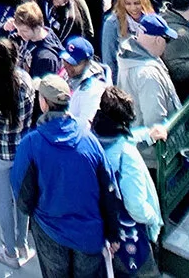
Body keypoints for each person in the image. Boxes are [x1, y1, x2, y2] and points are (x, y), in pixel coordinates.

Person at [9, 75, 122, 278]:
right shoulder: (90, 140)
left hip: (50, 233)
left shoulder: (31, 144)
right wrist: (113, 233)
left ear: (43, 103)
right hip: (89, 236)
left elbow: (23, 198)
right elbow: (109, 189)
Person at [0, 31, 38, 267]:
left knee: (4, 202)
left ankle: (10, 251)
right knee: (20, 199)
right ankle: (22, 244)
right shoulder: (26, 81)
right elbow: (27, 116)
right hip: (21, 149)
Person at [92, 89, 165, 276]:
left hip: (102, 230)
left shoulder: (91, 138)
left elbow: (121, 138)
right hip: (131, 236)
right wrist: (153, 217)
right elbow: (136, 205)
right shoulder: (127, 156)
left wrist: (147, 134)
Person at [114, 11, 179, 134]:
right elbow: (155, 124)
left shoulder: (130, 57)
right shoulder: (148, 75)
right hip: (156, 149)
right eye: (167, 40)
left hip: (139, 140)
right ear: (159, 40)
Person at [60, 37, 109, 128]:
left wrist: (63, 118)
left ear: (87, 63)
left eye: (73, 63)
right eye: (66, 61)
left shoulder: (94, 89)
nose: (68, 66)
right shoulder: (67, 73)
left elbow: (86, 125)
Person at [11, 0, 66, 80]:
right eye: (17, 29)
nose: (19, 34)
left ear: (37, 27)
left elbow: (43, 90)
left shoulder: (46, 59)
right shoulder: (42, 32)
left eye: (24, 31)